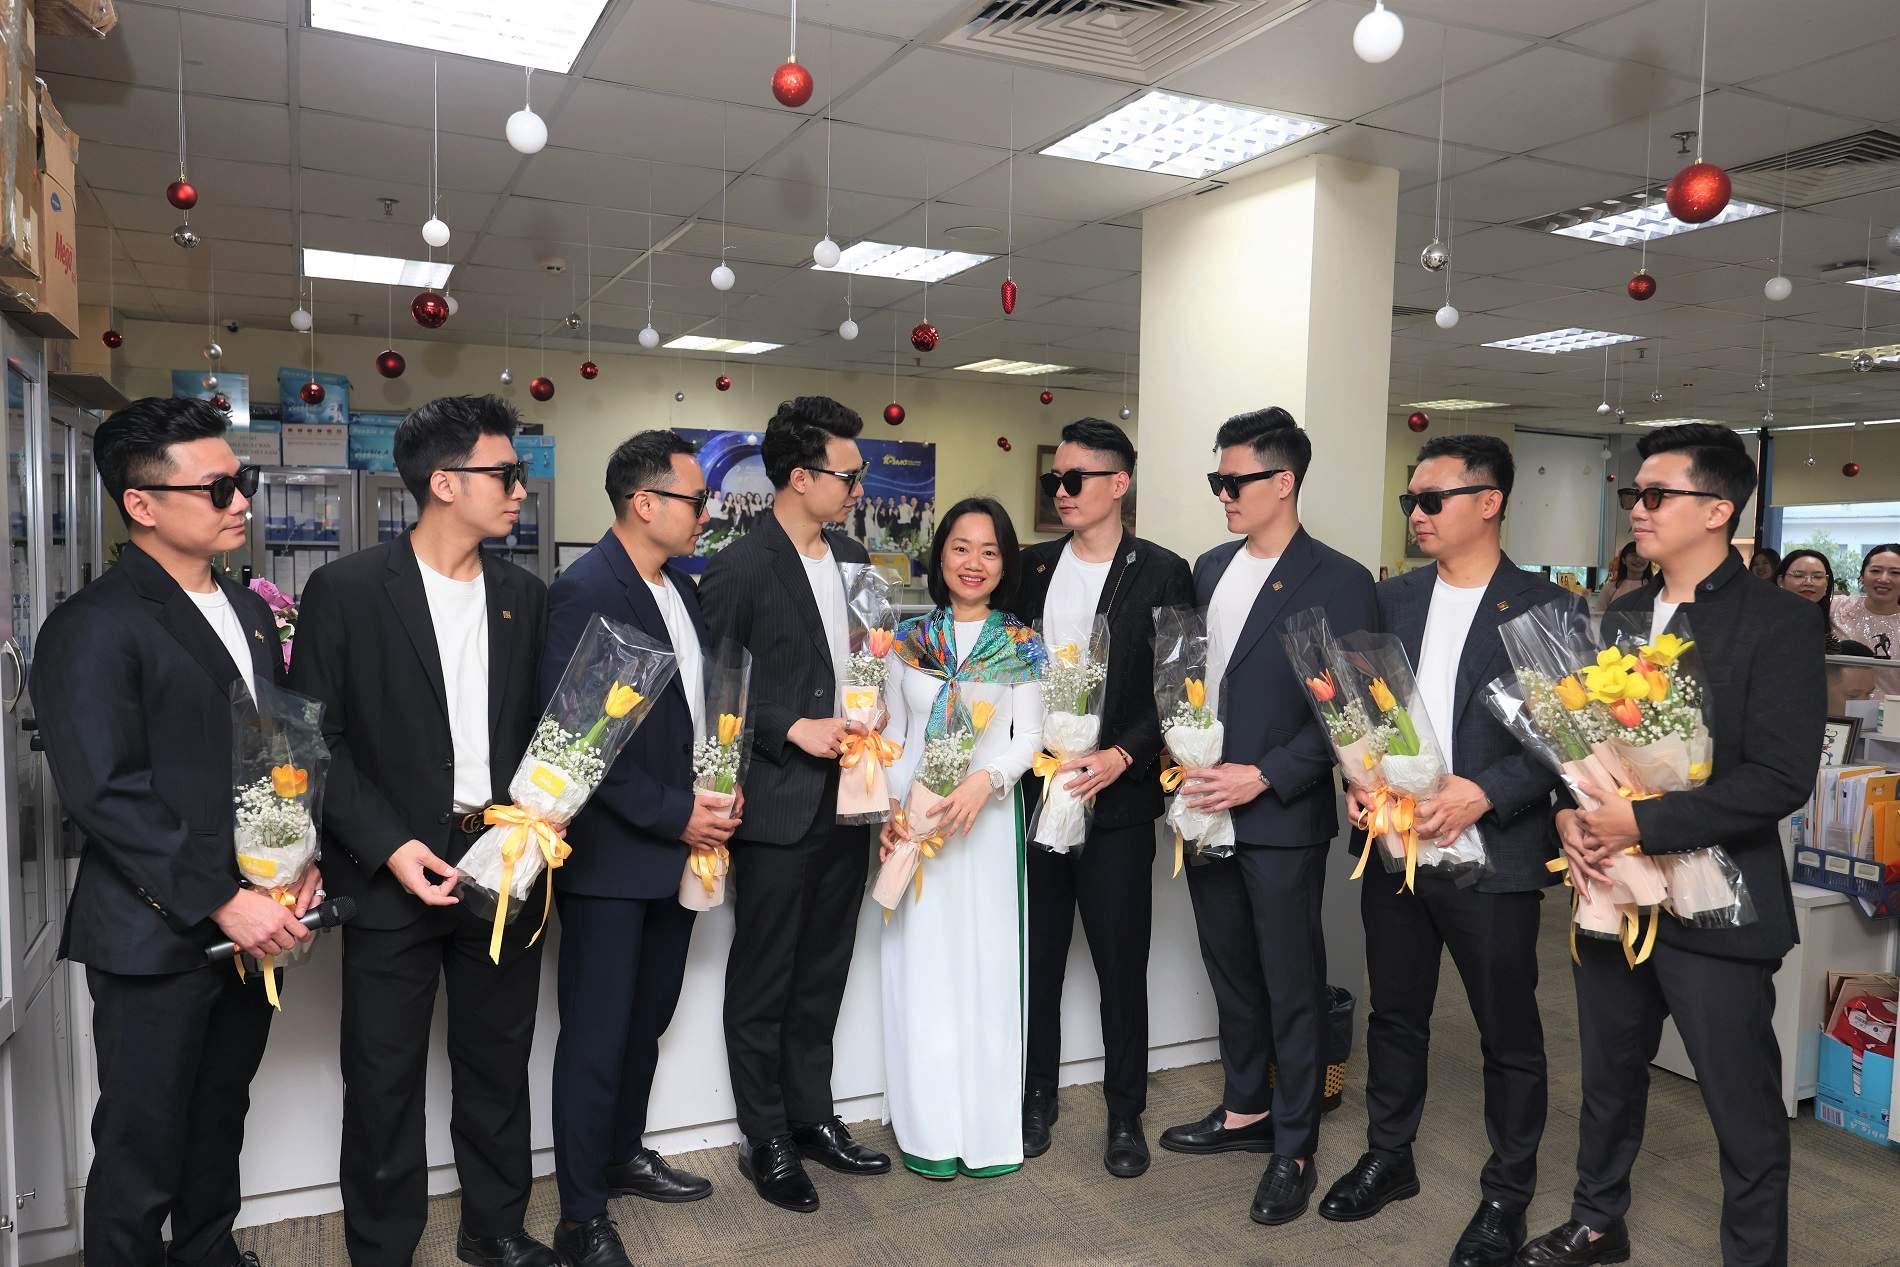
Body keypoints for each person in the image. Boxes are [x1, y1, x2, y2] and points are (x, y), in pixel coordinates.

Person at [1520, 424, 1824, 1267]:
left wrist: (1643, 823)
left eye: (1656, 494)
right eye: (1634, 494)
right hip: (1615, 891)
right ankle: (1596, 1219)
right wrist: (1570, 815)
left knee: (1740, 1100)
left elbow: (1780, 778)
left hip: (1721, 899)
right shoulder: (1619, 613)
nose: (1638, 509)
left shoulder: (1779, 622)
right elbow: (1581, 745)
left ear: (1718, 509)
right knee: (1608, 1072)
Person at [31, 398, 312, 1267]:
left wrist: (291, 863)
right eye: (219, 487)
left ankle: (208, 1253)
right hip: (153, 934)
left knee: (219, 1115)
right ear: (141, 504)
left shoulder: (251, 610)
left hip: (253, 918)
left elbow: (269, 756)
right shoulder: (91, 624)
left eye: (243, 480)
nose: (242, 500)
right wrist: (225, 899)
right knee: (140, 1143)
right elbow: (105, 792)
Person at [290, 396, 555, 1267]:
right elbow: (315, 742)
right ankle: (382, 1249)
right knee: (382, 1076)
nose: (520, 489)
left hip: (503, 861)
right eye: (504, 474)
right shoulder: (346, 591)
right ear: (443, 483)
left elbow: (548, 731)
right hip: (389, 869)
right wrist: (391, 846)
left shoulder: (525, 596)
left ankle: (496, 1229)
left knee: (498, 1061)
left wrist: (545, 813)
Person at [1320, 435, 1575, 1267]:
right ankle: (1389, 1156)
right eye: (1411, 501)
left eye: (1432, 500)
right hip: (1394, 845)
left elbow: (1567, 739)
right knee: (1395, 1012)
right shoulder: (1393, 597)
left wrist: (1487, 791)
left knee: (1508, 1032)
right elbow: (1356, 711)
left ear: (1489, 501)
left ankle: (1507, 1193)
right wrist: (1355, 777)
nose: (1416, 514)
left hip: (1491, 853)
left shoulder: (1546, 607)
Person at [1162, 406, 1378, 1227]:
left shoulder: (1340, 578)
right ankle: (1245, 1108)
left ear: (1283, 482)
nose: (1222, 493)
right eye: (1216, 480)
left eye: (1235, 481)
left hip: (1279, 812)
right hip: (1202, 806)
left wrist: (1264, 774)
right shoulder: (1211, 567)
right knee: (1231, 969)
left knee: (1290, 983)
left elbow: (1353, 713)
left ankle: (1294, 1146)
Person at [545, 431, 732, 1267]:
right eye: (696, 499)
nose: (706, 514)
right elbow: (577, 741)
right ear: (644, 502)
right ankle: (580, 1216)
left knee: (646, 1020)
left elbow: (692, 713)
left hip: (679, 849)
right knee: (595, 1036)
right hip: (614, 856)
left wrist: (718, 789)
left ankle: (621, 1153)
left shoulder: (680, 589)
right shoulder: (585, 589)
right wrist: (677, 813)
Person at [699, 396, 891, 1213]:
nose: (858, 488)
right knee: (765, 977)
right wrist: (788, 726)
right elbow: (715, 692)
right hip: (778, 803)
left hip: (851, 798)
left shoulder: (853, 556)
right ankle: (766, 1135)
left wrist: (874, 705)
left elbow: (866, 658)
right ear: (801, 476)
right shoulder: (738, 567)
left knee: (823, 971)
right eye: (848, 474)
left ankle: (813, 1115)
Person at [1014, 417, 1193, 1178]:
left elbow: (1180, 684)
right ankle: (1035, 1098)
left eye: (1076, 479)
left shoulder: (1163, 571)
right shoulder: (1030, 568)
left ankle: (1126, 1114)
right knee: (1039, 960)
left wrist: (1124, 754)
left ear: (1119, 484)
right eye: (1054, 479)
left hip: (1116, 803)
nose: (1061, 491)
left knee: (1122, 963)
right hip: (1036, 796)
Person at [877, 498, 1046, 1177]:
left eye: (989, 551)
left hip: (985, 827)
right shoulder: (908, 639)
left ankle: (986, 1133)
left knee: (986, 971)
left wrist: (987, 781)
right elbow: (894, 735)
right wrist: (893, 811)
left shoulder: (1021, 642)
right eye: (960, 547)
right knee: (921, 974)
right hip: (917, 828)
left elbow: (1030, 738)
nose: (973, 562)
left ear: (1005, 564)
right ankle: (929, 1129)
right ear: (940, 555)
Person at [1829, 543, 1900, 659]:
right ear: (1862, 576)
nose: (1884, 579)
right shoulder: (1836, 607)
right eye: (1876, 571)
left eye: (1895, 572)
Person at [1775, 549, 1837, 651]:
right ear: (1780, 581)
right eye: (1798, 575)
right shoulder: (1762, 621)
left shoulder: (1835, 622)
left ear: (1826, 582)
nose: (1808, 582)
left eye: (1817, 577)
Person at [1592, 542, 1648, 614]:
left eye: (1643, 555)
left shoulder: (1654, 588)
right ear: (1623, 560)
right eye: (1633, 555)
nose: (1638, 559)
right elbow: (1598, 615)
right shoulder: (1609, 588)